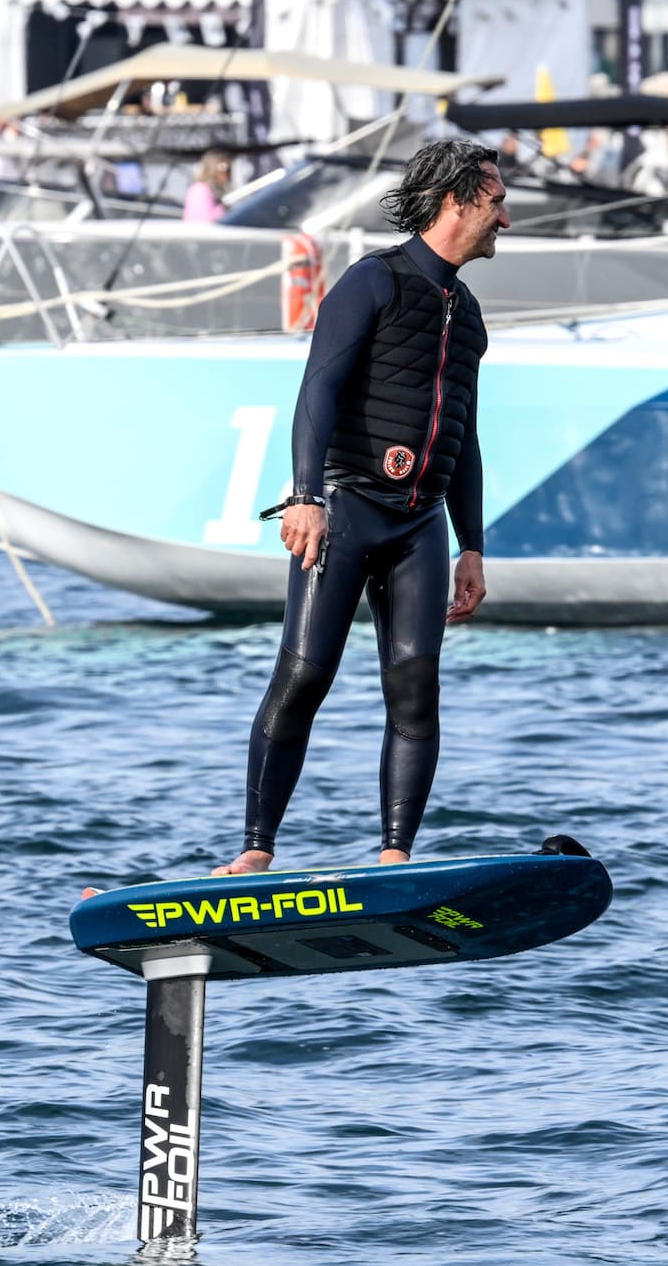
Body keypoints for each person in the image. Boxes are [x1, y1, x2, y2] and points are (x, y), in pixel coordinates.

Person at [214, 139, 509, 878]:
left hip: (419, 527)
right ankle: (255, 849)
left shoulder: (466, 315)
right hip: (346, 508)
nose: (507, 215)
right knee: (306, 673)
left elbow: (464, 436)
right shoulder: (372, 283)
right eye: (497, 200)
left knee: (416, 687)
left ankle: (394, 856)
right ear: (456, 202)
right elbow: (317, 389)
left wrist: (470, 544)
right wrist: (307, 496)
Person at [181, 149, 231, 224]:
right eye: (223, 168)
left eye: (229, 169)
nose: (227, 173)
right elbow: (204, 220)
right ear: (212, 168)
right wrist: (223, 208)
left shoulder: (217, 191)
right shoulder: (199, 189)